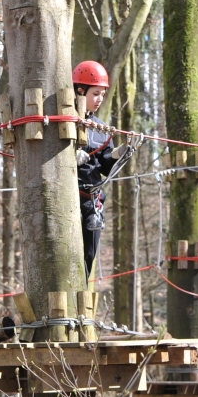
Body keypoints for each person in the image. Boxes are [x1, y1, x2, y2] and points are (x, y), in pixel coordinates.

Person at [73, 60, 127, 282]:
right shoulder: (60, 122)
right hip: (68, 197)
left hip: (91, 201)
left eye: (103, 94)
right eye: (95, 93)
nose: (100, 99)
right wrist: (69, 159)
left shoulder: (101, 130)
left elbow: (106, 167)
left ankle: (80, 298)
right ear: (80, 90)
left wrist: (118, 153)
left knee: (87, 255)